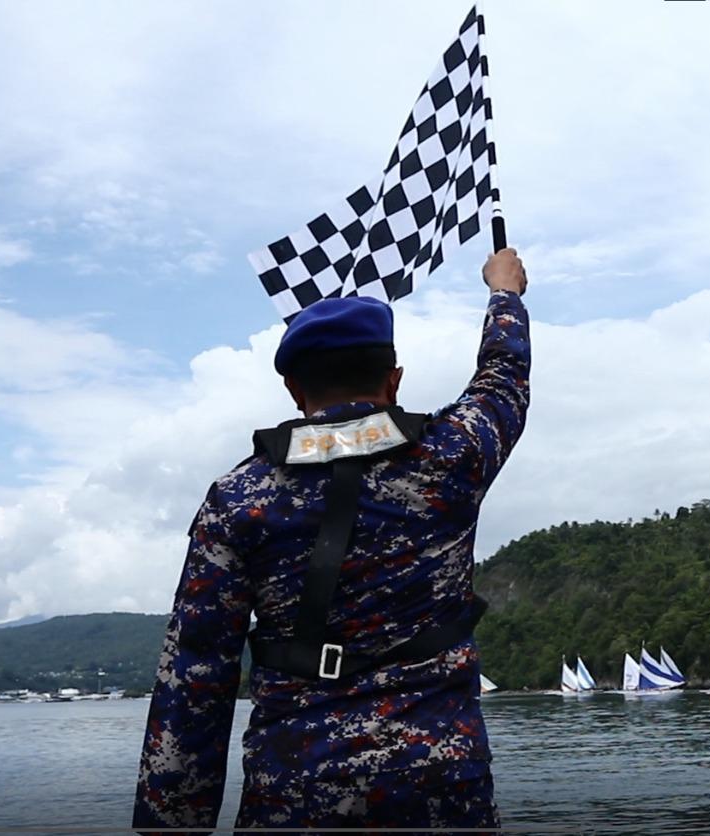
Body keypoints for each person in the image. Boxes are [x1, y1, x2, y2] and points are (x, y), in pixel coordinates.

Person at [133, 249, 531, 830]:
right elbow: (503, 382)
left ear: (295, 389)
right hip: (441, 781)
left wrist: (170, 823)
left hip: (294, 786)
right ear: (393, 380)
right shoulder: (453, 456)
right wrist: (505, 295)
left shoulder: (238, 498)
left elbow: (195, 675)